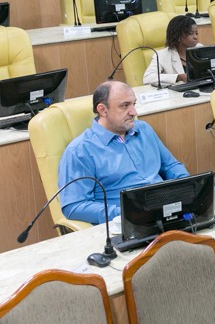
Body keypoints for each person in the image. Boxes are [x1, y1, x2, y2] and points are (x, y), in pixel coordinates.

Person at [58, 81, 190, 224]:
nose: (134, 112)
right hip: (128, 222)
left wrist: (188, 188)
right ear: (103, 110)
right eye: (125, 106)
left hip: (167, 211)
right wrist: (126, 212)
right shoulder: (80, 151)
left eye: (134, 104)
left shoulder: (144, 129)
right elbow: (74, 206)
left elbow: (170, 166)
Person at [143, 15, 200, 85]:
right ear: (178, 35)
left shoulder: (200, 49)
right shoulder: (162, 55)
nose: (195, 37)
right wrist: (178, 77)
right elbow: (148, 78)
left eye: (196, 33)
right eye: (191, 33)